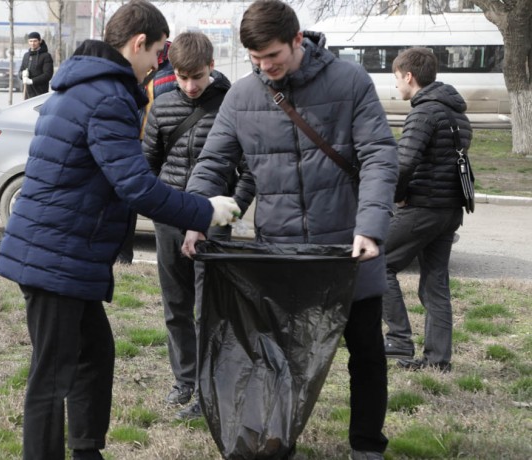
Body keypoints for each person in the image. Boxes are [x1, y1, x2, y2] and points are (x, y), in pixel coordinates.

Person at [0, 1, 241, 459]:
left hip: (65, 251)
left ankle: (87, 450)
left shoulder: (83, 85)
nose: (159, 64)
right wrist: (203, 211)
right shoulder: (108, 95)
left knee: (95, 354)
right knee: (52, 375)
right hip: (56, 254)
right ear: (138, 43)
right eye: (158, 53)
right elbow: (136, 187)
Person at [181, 1, 398, 458]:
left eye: (273, 57)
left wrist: (370, 227)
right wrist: (196, 218)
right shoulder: (242, 96)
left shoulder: (349, 81)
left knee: (367, 355)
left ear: (298, 40)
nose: (265, 68)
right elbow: (213, 163)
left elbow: (379, 154)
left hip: (346, 250)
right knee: (274, 358)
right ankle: (274, 441)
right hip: (279, 255)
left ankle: (366, 446)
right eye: (256, 60)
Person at [141, 31, 250, 420]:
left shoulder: (232, 106)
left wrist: (226, 213)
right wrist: (164, 207)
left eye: (198, 77)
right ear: (174, 70)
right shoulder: (162, 106)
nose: (190, 86)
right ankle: (184, 380)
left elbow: (248, 174)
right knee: (177, 307)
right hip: (170, 221)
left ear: (212, 67)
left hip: (215, 222)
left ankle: (210, 387)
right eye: (183, 77)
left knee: (212, 310)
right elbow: (148, 164)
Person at [382, 47, 472, 373]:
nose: (396, 86)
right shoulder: (455, 112)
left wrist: (397, 197)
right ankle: (438, 361)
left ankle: (400, 338)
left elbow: (403, 163)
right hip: (449, 210)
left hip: (422, 208)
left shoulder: (423, 112)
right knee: (435, 283)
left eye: (396, 79)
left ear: (409, 76)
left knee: (375, 262)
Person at [118, 40, 176, 265]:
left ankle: (127, 256)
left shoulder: (165, 73)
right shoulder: (135, 68)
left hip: (152, 145)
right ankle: (125, 257)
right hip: (147, 144)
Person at [19, 31, 53, 99]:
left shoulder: (46, 56)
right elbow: (20, 70)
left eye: (35, 41)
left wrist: (32, 81)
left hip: (40, 93)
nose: (33, 43)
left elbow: (47, 75)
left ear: (40, 41)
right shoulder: (26, 55)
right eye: (30, 41)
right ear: (28, 42)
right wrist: (22, 74)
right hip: (27, 93)